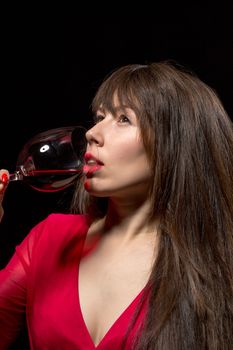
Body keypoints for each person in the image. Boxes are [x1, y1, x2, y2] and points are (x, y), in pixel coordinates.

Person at [0, 61, 233, 350]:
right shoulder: (49, 240)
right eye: (99, 117)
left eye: (124, 118)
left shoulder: (213, 268)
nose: (92, 133)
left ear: (175, 145)